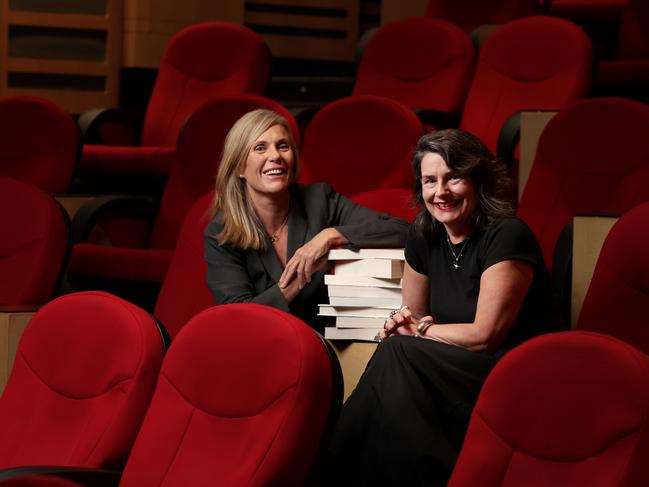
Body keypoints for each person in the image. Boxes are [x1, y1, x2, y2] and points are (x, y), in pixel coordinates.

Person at [327, 129, 552, 486]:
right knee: (396, 363)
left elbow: (485, 336)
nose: (440, 192)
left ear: (478, 180)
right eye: (429, 181)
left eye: (454, 178)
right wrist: (403, 326)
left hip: (511, 372)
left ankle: (327, 469)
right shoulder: (423, 234)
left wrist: (417, 331)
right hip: (450, 367)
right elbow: (411, 319)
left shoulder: (507, 234)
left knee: (398, 357)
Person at [204, 109, 409, 332]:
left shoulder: (320, 199)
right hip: (263, 345)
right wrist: (304, 273)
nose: (276, 156)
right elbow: (241, 319)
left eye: (283, 146)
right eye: (260, 148)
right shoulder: (220, 232)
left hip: (326, 342)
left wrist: (331, 236)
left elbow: (401, 230)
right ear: (239, 167)